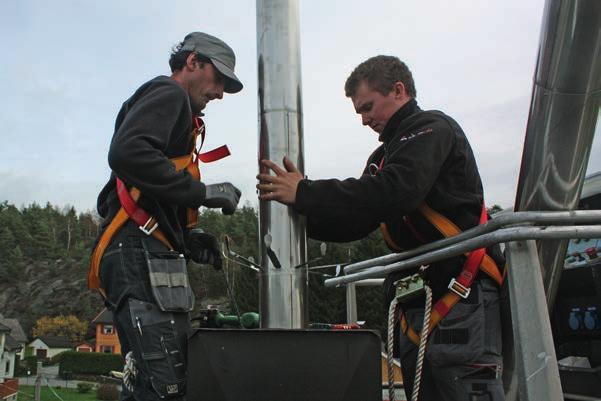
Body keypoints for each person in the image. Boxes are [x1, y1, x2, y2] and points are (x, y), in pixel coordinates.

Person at [257, 55, 505, 401]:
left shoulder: (432, 129)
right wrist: (293, 219)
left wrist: (305, 191)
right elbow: (358, 218)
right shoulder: (383, 157)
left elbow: (395, 192)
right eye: (359, 112)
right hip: (420, 301)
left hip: (461, 294)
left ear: (399, 90)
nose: (364, 120)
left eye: (368, 107)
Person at [88, 32, 243, 401]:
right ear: (192, 62)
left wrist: (185, 238)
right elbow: (128, 153)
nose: (220, 92)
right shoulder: (169, 93)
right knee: (164, 388)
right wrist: (202, 193)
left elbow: (149, 184)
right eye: (218, 78)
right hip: (136, 251)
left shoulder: (177, 110)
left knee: (150, 384)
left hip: (148, 250)